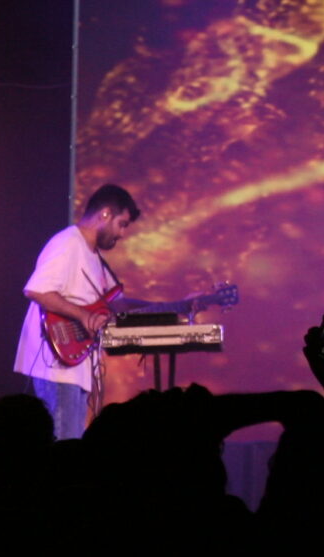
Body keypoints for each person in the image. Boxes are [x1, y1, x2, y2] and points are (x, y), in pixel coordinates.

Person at [13, 184, 199, 441]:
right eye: (121, 224)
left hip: (75, 363)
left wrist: (179, 306)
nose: (122, 233)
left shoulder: (94, 257)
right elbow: (37, 290)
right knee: (64, 443)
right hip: (57, 361)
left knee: (72, 442)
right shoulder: (68, 243)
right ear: (105, 214)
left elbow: (118, 304)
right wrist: (84, 316)